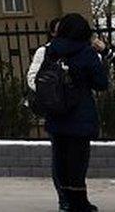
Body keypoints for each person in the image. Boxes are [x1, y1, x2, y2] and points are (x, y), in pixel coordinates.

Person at [41, 13, 109, 212]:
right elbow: (101, 83)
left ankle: (66, 201)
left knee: (61, 159)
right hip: (80, 113)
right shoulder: (85, 52)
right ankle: (80, 202)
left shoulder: (51, 51)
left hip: (56, 111)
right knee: (78, 161)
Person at [27, 18, 73, 212]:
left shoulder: (77, 50)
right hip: (55, 108)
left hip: (75, 108)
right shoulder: (44, 51)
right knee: (60, 155)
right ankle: (64, 198)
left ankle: (78, 196)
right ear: (52, 32)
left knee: (77, 156)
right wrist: (52, 91)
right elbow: (32, 78)